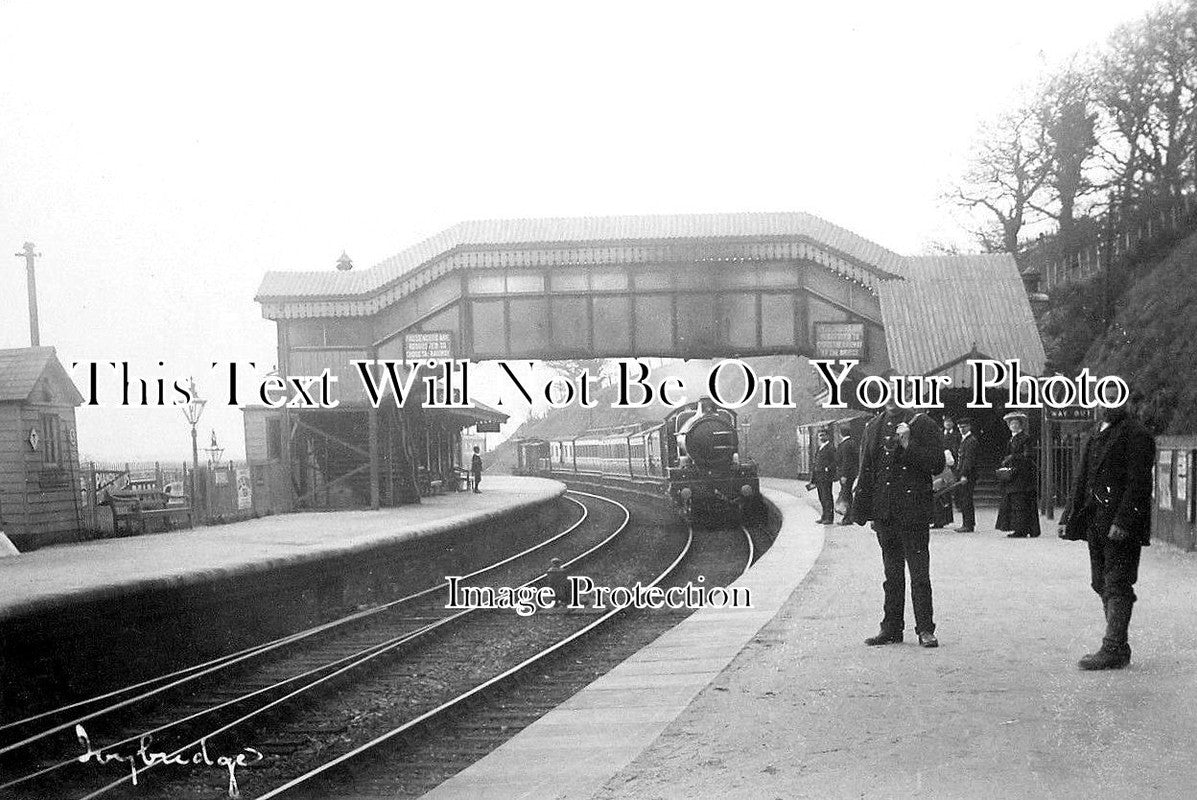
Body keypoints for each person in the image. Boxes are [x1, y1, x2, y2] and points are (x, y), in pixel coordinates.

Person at [1058, 398, 1154, 670]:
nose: (1109, 402)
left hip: (1119, 525)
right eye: (1105, 397)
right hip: (1096, 522)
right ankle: (1119, 647)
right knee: (1100, 582)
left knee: (1117, 583)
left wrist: (1123, 521)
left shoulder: (1136, 434)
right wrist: (1068, 516)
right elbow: (1081, 479)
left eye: (1115, 397)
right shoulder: (1096, 433)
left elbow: (1139, 483)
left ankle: (1113, 647)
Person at [853, 401, 945, 648]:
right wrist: (862, 508)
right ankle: (891, 628)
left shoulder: (922, 424)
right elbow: (867, 469)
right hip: (885, 512)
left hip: (913, 511)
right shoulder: (873, 426)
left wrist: (908, 444)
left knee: (919, 574)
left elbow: (937, 464)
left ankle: (925, 629)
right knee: (891, 575)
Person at [996, 411, 1041, 538]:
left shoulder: (1025, 438)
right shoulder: (1011, 439)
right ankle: (1019, 528)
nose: (1013, 426)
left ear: (1020, 425)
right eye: (1011, 424)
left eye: (1016, 423)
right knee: (1015, 502)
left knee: (1020, 503)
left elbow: (1028, 455)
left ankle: (1021, 529)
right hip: (1013, 476)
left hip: (1022, 476)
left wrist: (1012, 457)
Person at [932, 416, 960, 528]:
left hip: (944, 472)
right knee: (938, 497)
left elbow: (951, 461)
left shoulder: (946, 449)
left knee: (943, 496)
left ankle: (943, 519)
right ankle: (938, 519)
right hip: (936, 473)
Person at [954, 417, 978, 532]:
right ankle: (968, 522)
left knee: (966, 499)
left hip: (968, 474)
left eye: (964, 427)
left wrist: (964, 474)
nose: (962, 429)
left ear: (969, 427)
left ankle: (968, 524)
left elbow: (969, 460)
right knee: (964, 499)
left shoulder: (971, 440)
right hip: (963, 473)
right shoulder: (964, 440)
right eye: (960, 427)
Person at [835, 423, 859, 525]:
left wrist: (844, 475)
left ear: (840, 434)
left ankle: (847, 518)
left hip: (846, 474)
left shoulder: (845, 445)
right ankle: (849, 517)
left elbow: (846, 461)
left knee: (846, 495)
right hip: (852, 473)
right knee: (847, 494)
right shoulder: (852, 443)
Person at [812, 429, 837, 524]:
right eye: (820, 436)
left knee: (827, 497)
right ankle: (824, 516)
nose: (821, 437)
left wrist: (828, 468)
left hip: (826, 476)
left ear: (827, 436)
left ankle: (829, 518)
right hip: (819, 476)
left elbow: (835, 461)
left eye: (823, 435)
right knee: (821, 497)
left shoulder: (830, 448)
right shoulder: (819, 448)